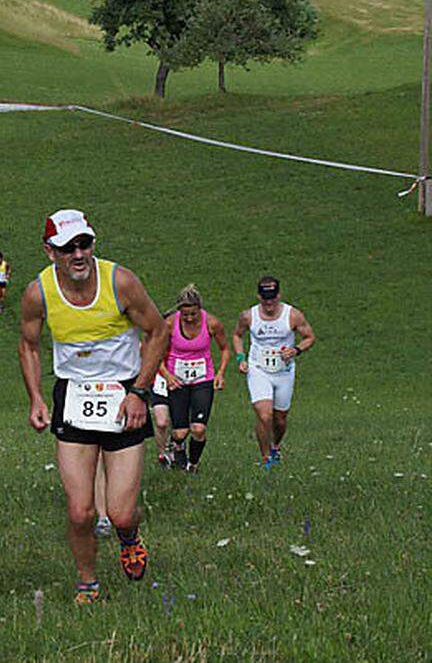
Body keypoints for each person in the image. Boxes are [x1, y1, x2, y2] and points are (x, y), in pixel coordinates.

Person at [18, 209, 167, 605]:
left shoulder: (120, 282)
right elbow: (28, 345)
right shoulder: (39, 292)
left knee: (120, 512)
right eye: (68, 248)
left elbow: (157, 331)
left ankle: (129, 537)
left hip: (125, 394)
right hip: (74, 395)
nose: (78, 254)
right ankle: (87, 581)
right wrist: (35, 396)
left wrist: (140, 392)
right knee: (80, 512)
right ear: (51, 252)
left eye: (84, 244)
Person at [232, 276, 316, 466]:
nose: (269, 303)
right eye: (264, 299)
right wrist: (240, 358)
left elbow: (310, 337)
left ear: (279, 295)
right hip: (258, 369)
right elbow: (237, 335)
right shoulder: (248, 316)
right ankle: (265, 458)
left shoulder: (293, 315)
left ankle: (276, 446)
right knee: (264, 415)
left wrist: (296, 350)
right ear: (258, 296)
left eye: (272, 298)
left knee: (279, 420)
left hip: (283, 372)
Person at [159, 285, 230, 473]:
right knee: (180, 432)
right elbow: (155, 353)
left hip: (203, 379)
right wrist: (167, 376)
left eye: (193, 314)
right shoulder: (169, 324)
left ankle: (193, 465)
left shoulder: (212, 323)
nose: (189, 318)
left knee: (198, 429)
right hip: (177, 380)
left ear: (200, 309)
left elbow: (225, 349)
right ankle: (175, 447)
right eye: (185, 315)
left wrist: (221, 373)